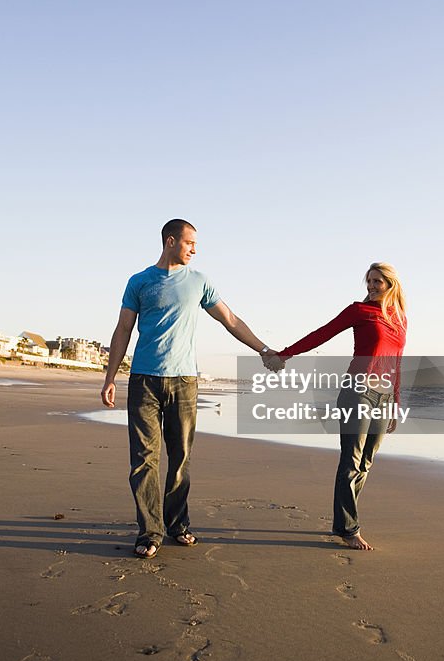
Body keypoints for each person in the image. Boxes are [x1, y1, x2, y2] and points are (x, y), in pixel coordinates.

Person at [101, 218, 280, 559]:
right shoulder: (139, 282)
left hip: (184, 382)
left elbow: (230, 319)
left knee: (180, 456)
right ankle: (150, 531)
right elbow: (123, 328)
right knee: (143, 460)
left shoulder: (199, 281)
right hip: (143, 381)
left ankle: (178, 524)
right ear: (171, 241)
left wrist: (262, 349)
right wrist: (110, 377)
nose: (195, 250)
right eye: (190, 243)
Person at [277, 263, 407, 551]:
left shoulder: (400, 319)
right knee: (351, 461)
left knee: (366, 463)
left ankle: (343, 522)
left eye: (377, 282)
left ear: (391, 284)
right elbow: (322, 333)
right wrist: (286, 354)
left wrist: (396, 403)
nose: (371, 286)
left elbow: (397, 363)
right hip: (357, 393)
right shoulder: (359, 311)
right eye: (369, 281)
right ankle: (349, 528)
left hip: (383, 399)